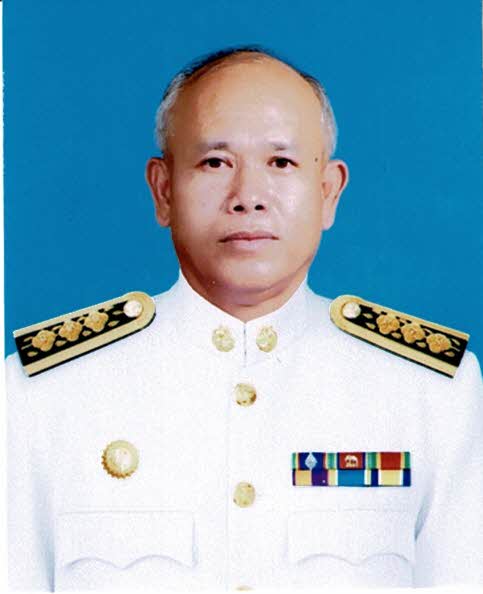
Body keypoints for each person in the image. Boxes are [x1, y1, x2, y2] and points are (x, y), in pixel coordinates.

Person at [6, 46, 483, 590]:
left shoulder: (431, 394)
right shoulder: (40, 394)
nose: (248, 197)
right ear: (163, 190)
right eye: (215, 163)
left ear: (328, 192)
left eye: (281, 163)